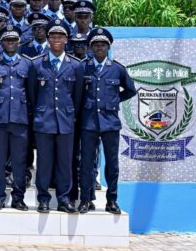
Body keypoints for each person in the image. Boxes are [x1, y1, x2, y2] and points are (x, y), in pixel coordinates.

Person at [78, 27, 136, 214]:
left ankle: (112, 200)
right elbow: (77, 92)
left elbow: (130, 90)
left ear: (108, 47)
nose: (100, 47)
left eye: (103, 44)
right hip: (88, 122)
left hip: (110, 122)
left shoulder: (117, 68)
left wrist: (114, 100)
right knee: (86, 163)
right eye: (96, 44)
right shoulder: (83, 67)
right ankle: (86, 200)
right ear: (90, 47)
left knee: (112, 164)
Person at [29, 19, 85, 213]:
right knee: (44, 163)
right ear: (48, 38)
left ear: (66, 39)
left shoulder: (76, 66)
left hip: (66, 121)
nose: (56, 39)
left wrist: (71, 115)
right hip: (43, 121)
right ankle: (43, 199)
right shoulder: (37, 64)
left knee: (65, 163)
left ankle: (64, 199)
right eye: (53, 36)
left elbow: (77, 97)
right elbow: (32, 95)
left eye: (60, 36)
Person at [0, 25, 35, 210]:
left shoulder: (26, 63)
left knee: (19, 160)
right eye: (7, 40)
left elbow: (31, 93)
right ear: (1, 43)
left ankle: (18, 197)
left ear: (19, 42)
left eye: (14, 40)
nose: (10, 43)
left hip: (20, 119)